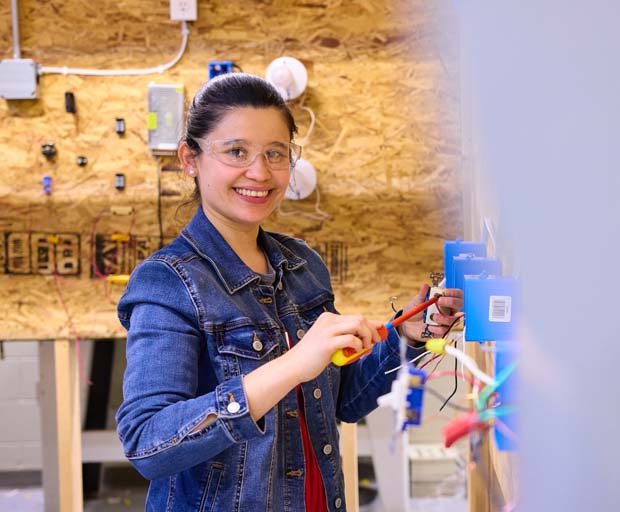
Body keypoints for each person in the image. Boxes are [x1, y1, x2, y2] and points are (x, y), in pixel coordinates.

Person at [116, 73, 464, 511]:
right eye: (236, 152)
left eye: (275, 154)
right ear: (190, 159)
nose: (259, 173)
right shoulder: (168, 281)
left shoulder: (302, 266)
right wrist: (294, 363)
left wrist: (406, 337)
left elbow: (340, 403)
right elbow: (149, 441)